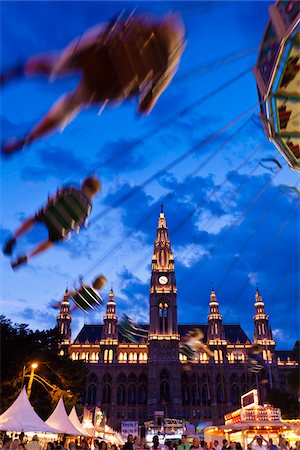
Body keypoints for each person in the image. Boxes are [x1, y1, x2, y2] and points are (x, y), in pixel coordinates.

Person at [1, 13, 185, 156]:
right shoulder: (169, 68)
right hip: (106, 85)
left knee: (56, 65)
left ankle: (15, 72)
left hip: (98, 51)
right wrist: (143, 95)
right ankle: (24, 141)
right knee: (70, 105)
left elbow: (120, 23)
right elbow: (144, 108)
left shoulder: (148, 22)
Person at [3, 175, 101, 269]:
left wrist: (49, 203)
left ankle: (13, 238)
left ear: (84, 184)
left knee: (33, 219)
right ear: (94, 193)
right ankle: (28, 257)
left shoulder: (71, 189)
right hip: (60, 229)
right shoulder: (89, 207)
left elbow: (53, 198)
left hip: (49, 214)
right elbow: (78, 223)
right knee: (51, 241)